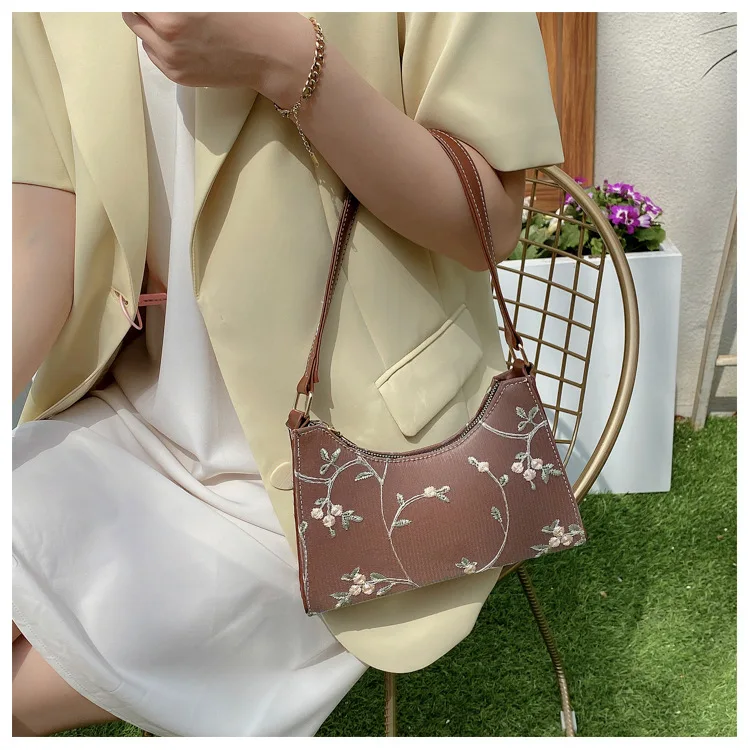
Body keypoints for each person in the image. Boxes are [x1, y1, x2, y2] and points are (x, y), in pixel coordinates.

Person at [12, 12, 564, 737]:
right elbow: (38, 247)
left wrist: (289, 63)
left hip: (356, 465)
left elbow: (489, 223)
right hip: (136, 421)